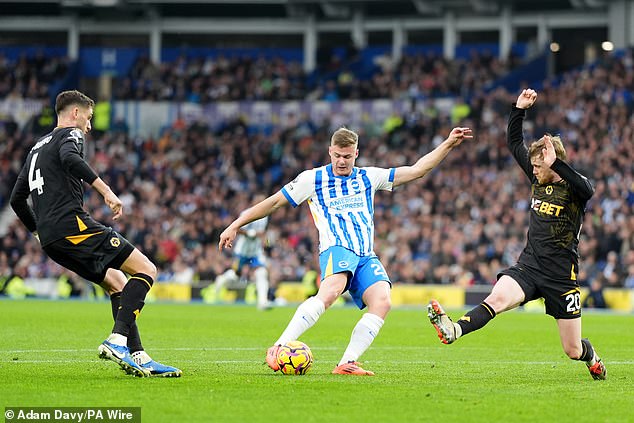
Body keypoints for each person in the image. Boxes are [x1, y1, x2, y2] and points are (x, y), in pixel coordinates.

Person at [220, 125, 472, 375]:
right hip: (337, 248)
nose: (342, 161)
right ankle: (279, 346)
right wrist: (235, 224)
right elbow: (274, 202)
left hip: (365, 254)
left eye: (347, 156)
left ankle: (346, 363)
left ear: (356, 153)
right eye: (338, 155)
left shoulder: (369, 177)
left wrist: (448, 143)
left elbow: (417, 170)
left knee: (382, 301)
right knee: (330, 292)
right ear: (330, 151)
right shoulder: (313, 178)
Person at [427, 88, 606, 380]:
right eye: (533, 166)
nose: (533, 171)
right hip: (529, 265)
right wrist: (518, 110)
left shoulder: (573, 188)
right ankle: (454, 330)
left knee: (572, 349)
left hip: (561, 276)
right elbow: (513, 143)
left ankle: (593, 357)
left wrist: (556, 165)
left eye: (539, 166)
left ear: (552, 164)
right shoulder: (537, 176)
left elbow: (589, 189)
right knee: (496, 299)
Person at [10, 90, 181, 378]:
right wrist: (106, 191)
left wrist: (39, 233)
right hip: (73, 226)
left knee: (117, 282)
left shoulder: (36, 147)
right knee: (147, 269)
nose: (89, 126)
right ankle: (117, 340)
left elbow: (17, 199)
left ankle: (138, 355)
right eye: (88, 118)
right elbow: (69, 159)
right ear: (75, 114)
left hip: (52, 238)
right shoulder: (70, 136)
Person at [216, 195, 272, 310]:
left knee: (261, 272)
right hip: (242, 250)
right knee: (236, 274)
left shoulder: (265, 216)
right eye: (259, 201)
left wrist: (265, 241)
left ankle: (263, 302)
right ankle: (220, 281)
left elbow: (262, 233)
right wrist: (250, 233)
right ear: (254, 202)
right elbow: (236, 229)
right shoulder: (246, 213)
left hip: (255, 251)